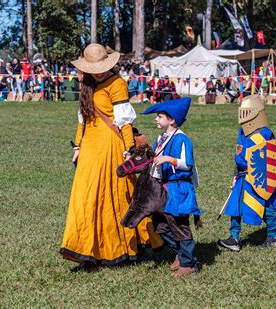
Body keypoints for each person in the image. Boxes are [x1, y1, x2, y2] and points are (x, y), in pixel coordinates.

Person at [60, 43, 162, 272]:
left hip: (111, 147)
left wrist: (129, 151)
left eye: (102, 67)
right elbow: (82, 120)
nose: (99, 72)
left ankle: (122, 246)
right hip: (90, 149)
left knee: (116, 196)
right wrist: (77, 147)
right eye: (94, 68)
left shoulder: (117, 84)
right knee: (85, 198)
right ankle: (87, 250)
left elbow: (125, 123)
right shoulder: (86, 84)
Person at [142, 97, 202, 277]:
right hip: (163, 188)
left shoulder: (182, 139)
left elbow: (187, 164)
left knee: (180, 225)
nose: (156, 119)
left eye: (160, 116)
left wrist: (169, 159)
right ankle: (180, 253)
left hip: (179, 189)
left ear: (172, 119)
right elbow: (153, 158)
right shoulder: (161, 138)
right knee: (161, 225)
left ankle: (189, 263)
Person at [218, 95, 276, 251]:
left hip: (260, 178)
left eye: (246, 110)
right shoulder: (242, 131)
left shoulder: (266, 133)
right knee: (236, 207)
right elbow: (239, 154)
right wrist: (235, 174)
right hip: (243, 176)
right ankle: (234, 238)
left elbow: (271, 158)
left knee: (265, 206)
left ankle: (273, 236)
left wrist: (263, 176)